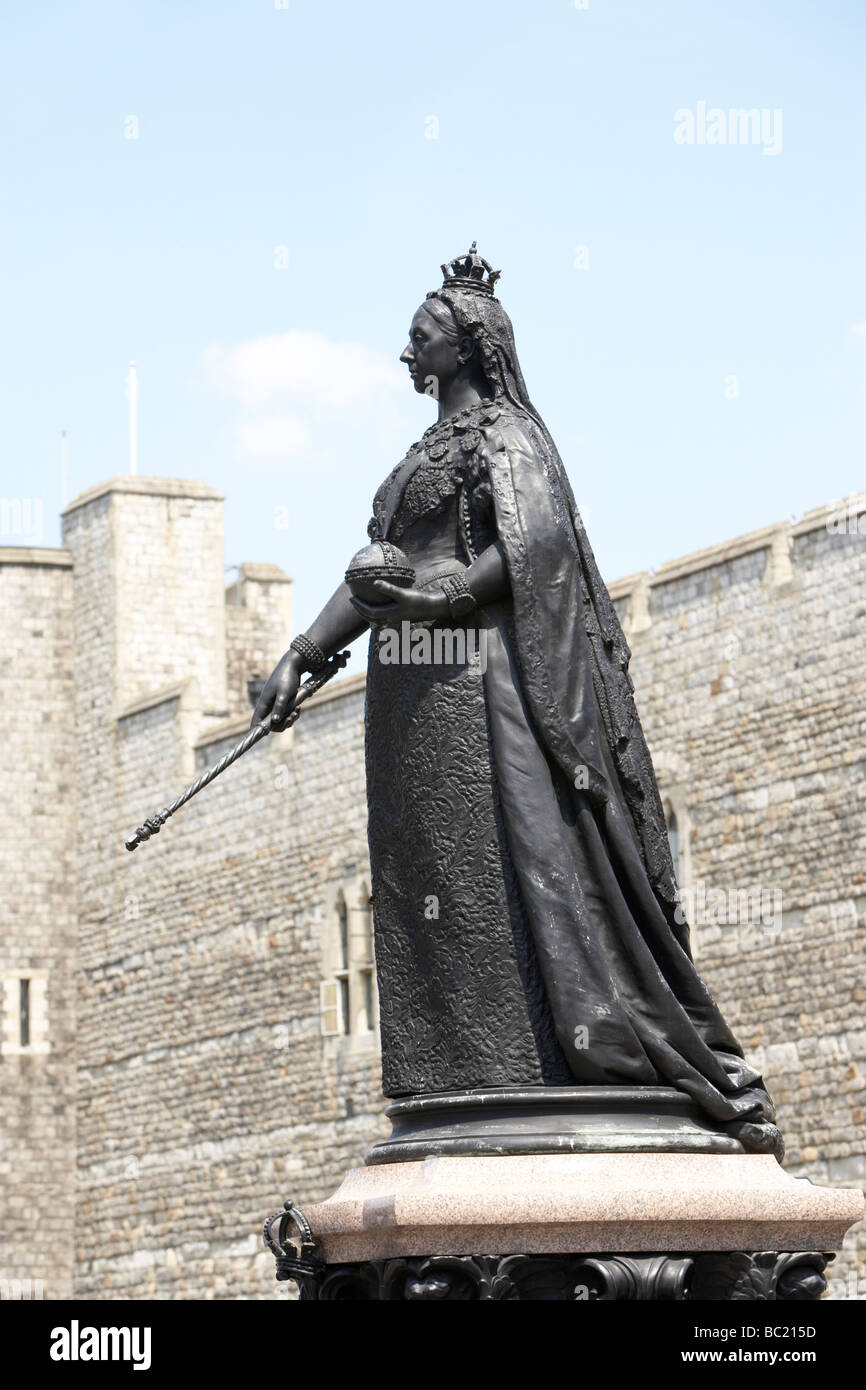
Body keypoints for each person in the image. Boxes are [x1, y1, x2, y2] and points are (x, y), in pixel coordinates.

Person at [252, 245, 781, 1158]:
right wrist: (301, 654)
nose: (405, 351)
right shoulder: (420, 454)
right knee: (434, 877)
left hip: (479, 680)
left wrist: (436, 600)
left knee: (502, 861)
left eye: (421, 337)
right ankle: (461, 1068)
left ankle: (556, 1053)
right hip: (410, 692)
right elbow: (377, 570)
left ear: (466, 347)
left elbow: (533, 552)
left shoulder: (509, 437)